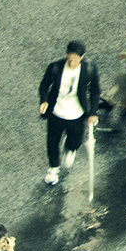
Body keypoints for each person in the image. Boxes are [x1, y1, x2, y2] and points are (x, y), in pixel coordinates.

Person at [35, 39, 101, 187]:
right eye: (69, 59)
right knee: (52, 142)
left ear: (82, 57)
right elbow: (44, 86)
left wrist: (93, 112)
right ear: (66, 55)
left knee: (76, 139)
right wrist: (44, 101)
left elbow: (95, 90)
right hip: (56, 113)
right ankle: (53, 169)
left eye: (75, 60)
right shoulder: (55, 68)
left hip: (77, 114)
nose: (71, 63)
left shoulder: (89, 69)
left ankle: (70, 148)